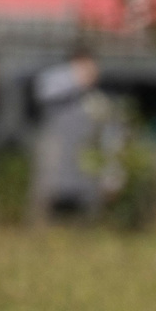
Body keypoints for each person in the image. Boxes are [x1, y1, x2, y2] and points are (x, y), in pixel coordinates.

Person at [29, 45, 105, 226]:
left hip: (83, 164)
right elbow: (43, 89)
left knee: (86, 206)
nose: (88, 73)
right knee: (46, 198)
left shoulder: (96, 100)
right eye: (82, 67)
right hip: (56, 158)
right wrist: (76, 77)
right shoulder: (56, 86)